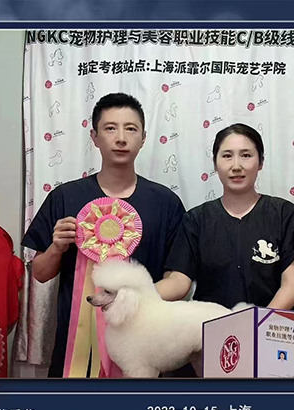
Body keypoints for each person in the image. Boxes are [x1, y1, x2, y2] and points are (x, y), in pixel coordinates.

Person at [22, 93, 185, 378]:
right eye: (110, 128)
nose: (121, 138)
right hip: (76, 349)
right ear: (94, 137)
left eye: (130, 129)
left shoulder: (166, 203)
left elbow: (179, 279)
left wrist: (132, 301)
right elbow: (40, 273)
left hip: (144, 342)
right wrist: (56, 248)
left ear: (143, 138)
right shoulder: (65, 197)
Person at [156, 123, 294, 312]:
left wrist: (258, 323)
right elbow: (179, 282)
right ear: (215, 164)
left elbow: (291, 286)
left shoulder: (285, 214)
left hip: (272, 324)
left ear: (261, 162)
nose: (236, 166)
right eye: (227, 156)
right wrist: (137, 294)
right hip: (214, 325)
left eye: (246, 155)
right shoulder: (196, 220)